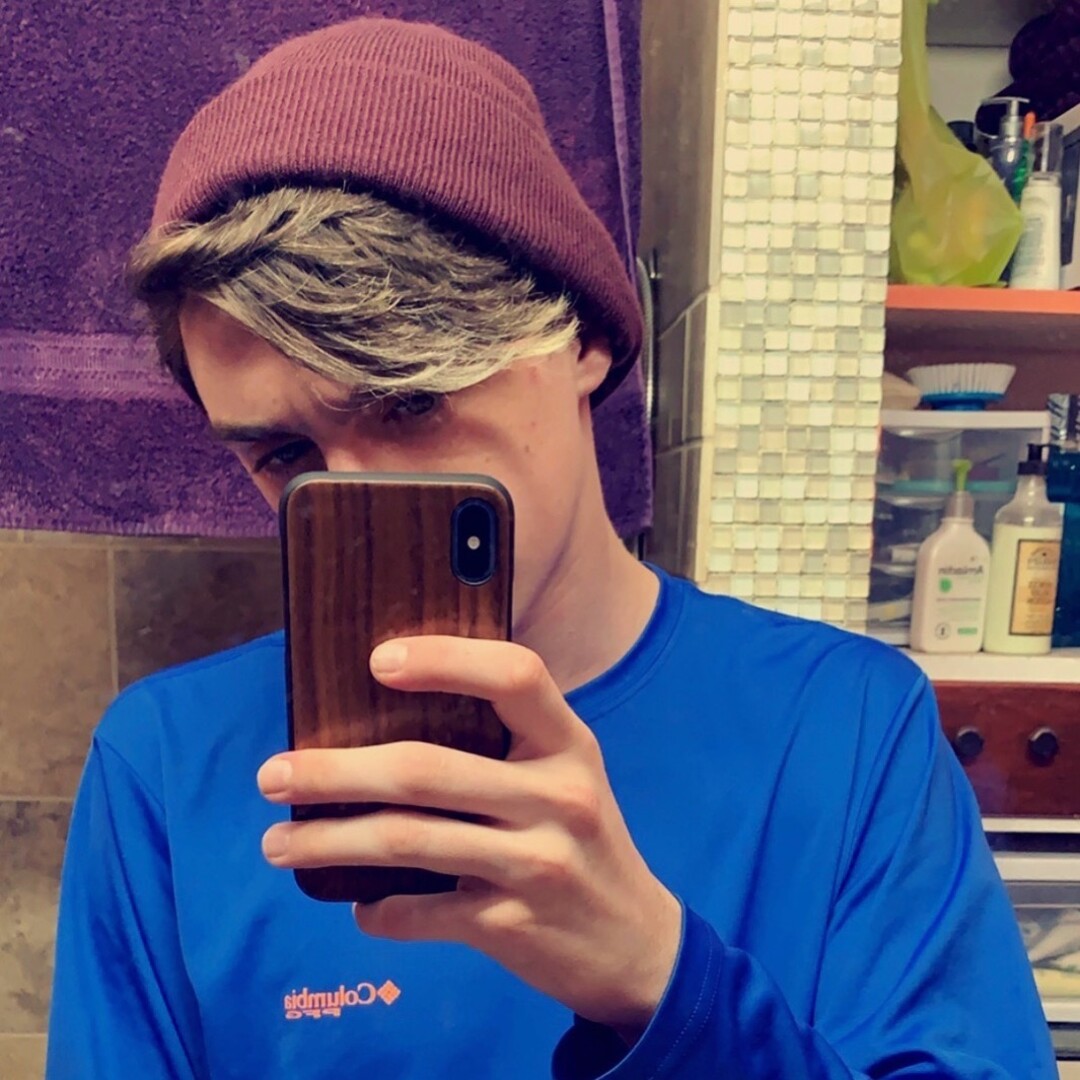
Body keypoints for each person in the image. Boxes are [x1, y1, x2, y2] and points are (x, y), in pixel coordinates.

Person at [47, 16, 1055, 1080]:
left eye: (411, 403)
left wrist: (663, 986)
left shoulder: (849, 728)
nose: (357, 496)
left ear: (586, 338)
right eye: (284, 454)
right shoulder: (166, 764)